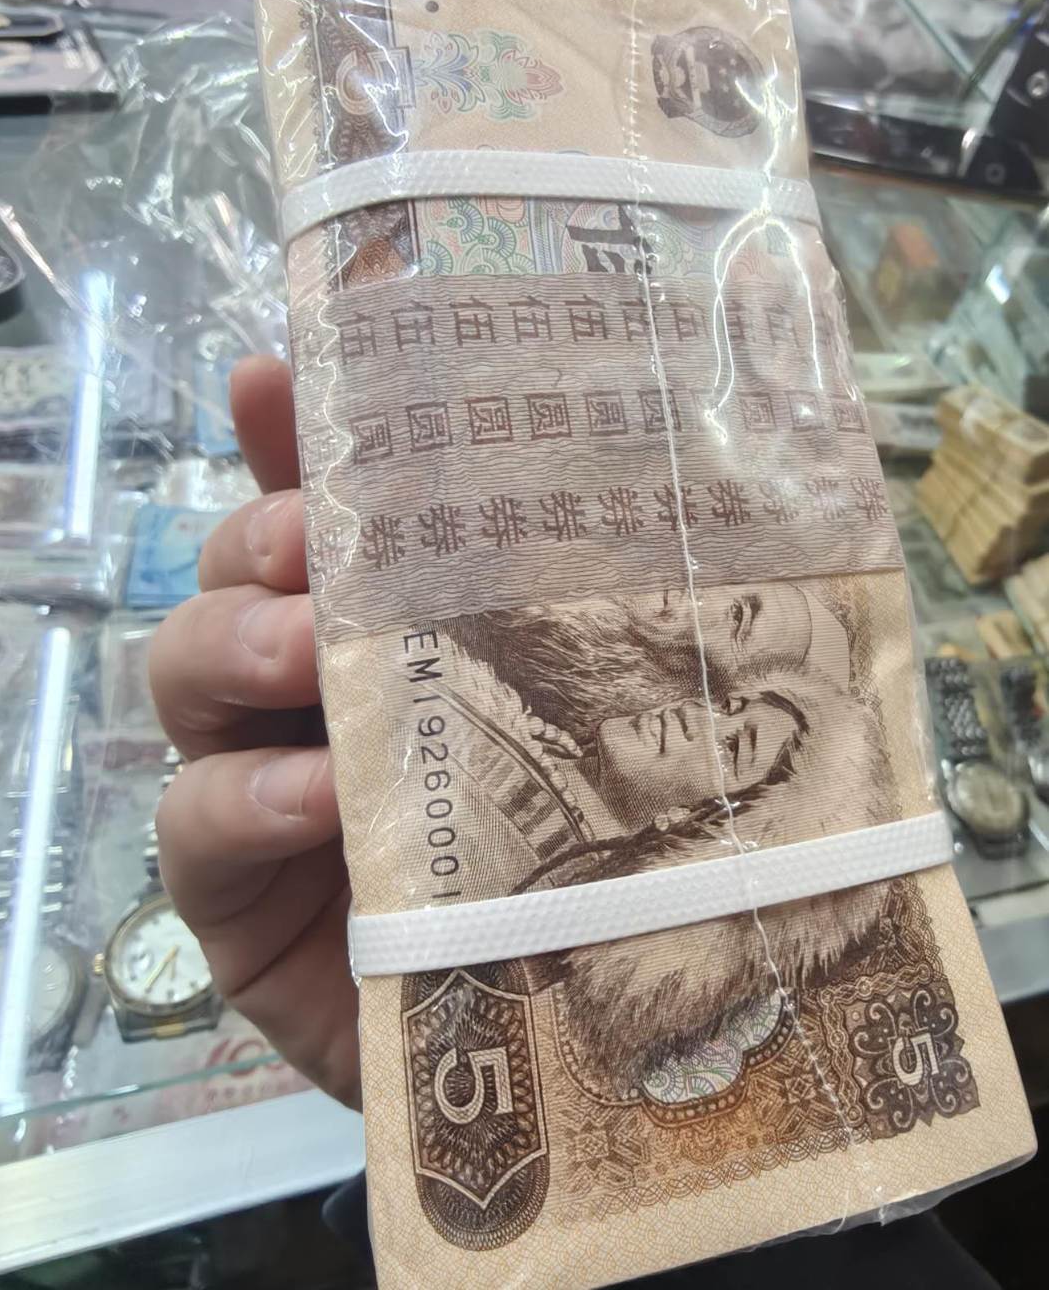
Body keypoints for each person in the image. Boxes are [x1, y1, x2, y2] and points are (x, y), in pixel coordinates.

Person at [151, 356, 1000, 1289]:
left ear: (708, 824)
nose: (702, 713)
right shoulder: (518, 733)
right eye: (727, 702)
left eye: (741, 744)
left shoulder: (524, 832)